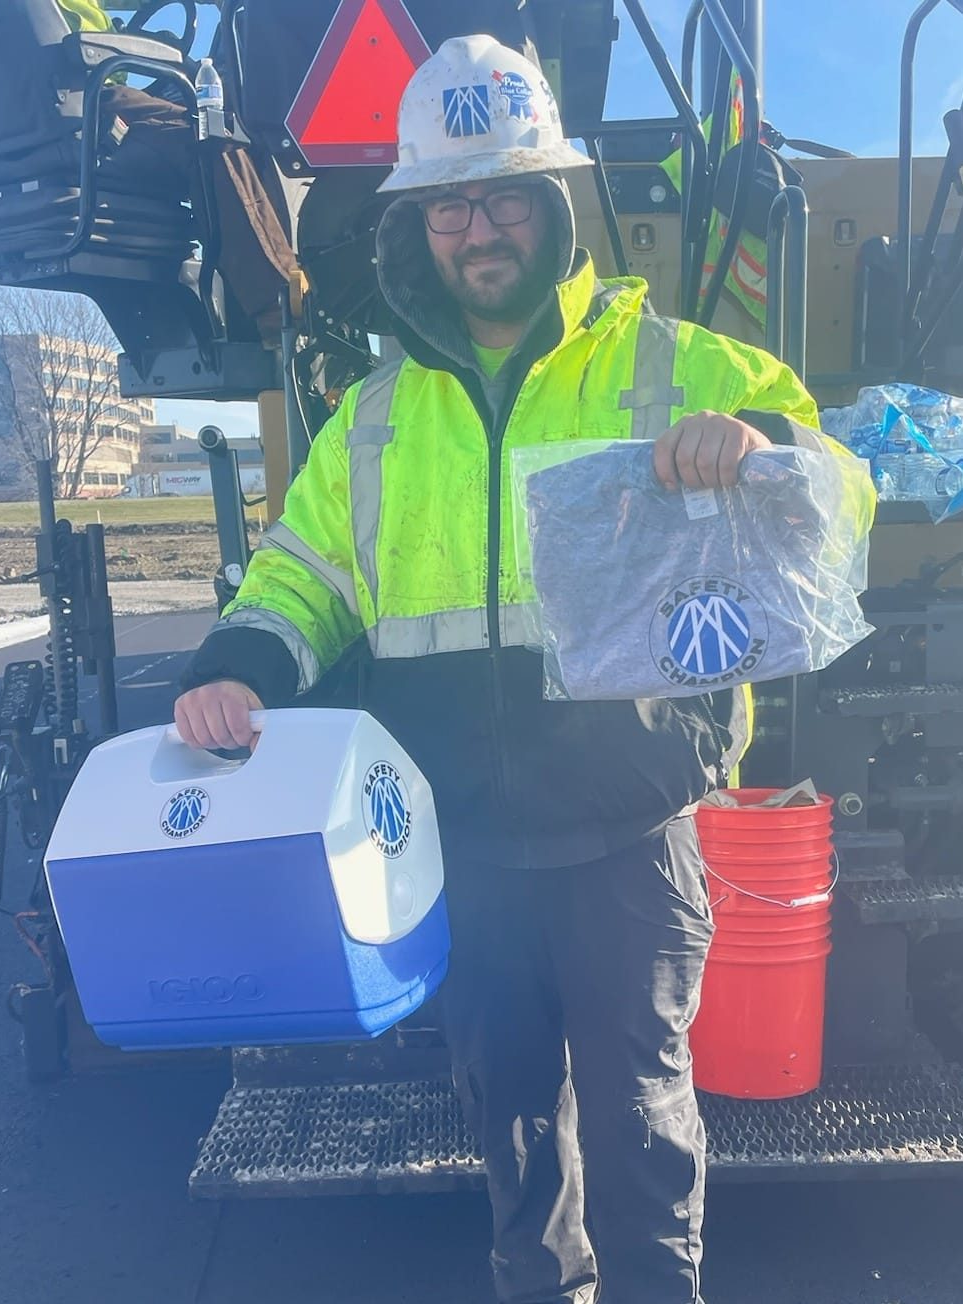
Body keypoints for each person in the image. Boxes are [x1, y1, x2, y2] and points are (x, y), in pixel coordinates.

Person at [174, 34, 872, 1304]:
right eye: (450, 202)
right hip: (464, 854)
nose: (476, 226)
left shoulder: (673, 365)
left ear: (551, 204)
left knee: (645, 1143)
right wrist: (236, 667)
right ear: (417, 227)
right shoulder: (375, 418)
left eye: (501, 194)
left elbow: (838, 483)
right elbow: (302, 579)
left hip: (631, 844)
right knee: (510, 1150)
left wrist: (760, 440)